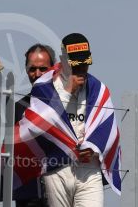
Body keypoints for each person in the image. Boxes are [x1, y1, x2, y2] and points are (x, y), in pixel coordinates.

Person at [41, 33, 117, 207]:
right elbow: (41, 122)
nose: (81, 70)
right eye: (76, 65)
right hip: (57, 166)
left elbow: (109, 129)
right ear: (63, 60)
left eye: (84, 65)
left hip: (88, 168)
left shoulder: (98, 89)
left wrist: (93, 147)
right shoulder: (47, 86)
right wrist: (68, 91)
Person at [14, 44, 55, 207]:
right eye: (32, 69)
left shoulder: (68, 104)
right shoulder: (17, 108)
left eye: (43, 69)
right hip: (28, 195)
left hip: (64, 191)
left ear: (53, 69)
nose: (37, 74)